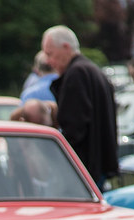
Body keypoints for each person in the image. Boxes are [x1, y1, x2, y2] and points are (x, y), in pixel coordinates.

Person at [42, 24, 118, 189]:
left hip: (85, 168)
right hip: (99, 164)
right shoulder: (92, 70)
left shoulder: (76, 74)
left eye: (50, 54)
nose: (48, 61)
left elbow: (74, 127)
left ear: (66, 48)